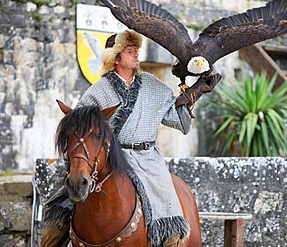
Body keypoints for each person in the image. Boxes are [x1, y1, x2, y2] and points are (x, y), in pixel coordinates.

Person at [41, 29, 221, 247]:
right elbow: (80, 125)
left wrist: (194, 94)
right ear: (116, 58)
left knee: (168, 208)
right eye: (129, 51)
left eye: (136, 51)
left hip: (148, 158)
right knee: (62, 210)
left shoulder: (152, 85)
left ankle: (170, 238)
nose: (136, 55)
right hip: (111, 157)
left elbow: (175, 117)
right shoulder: (99, 90)